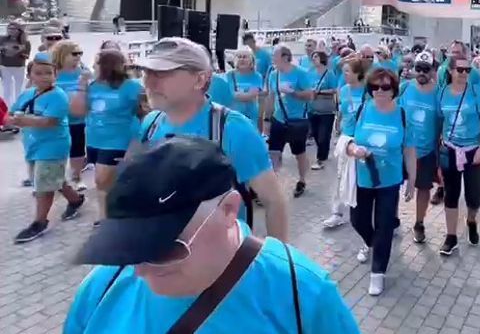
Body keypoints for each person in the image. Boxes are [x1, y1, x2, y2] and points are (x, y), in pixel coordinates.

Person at [64, 137, 359, 333]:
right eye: (128, 247)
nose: (138, 269)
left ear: (229, 211)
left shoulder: (302, 294)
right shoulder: (101, 288)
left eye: (165, 248)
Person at [136, 37, 288, 241]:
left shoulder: (232, 129)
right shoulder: (150, 124)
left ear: (199, 80)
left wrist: (279, 265)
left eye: (163, 73)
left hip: (220, 262)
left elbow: (273, 201)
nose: (148, 81)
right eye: (146, 72)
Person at [344, 68, 416, 295]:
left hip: (389, 181)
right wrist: (353, 148)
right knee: (357, 220)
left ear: (394, 89)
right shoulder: (363, 110)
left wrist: (412, 180)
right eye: (375, 87)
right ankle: (370, 242)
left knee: (384, 225)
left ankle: (378, 272)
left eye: (385, 87)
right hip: (362, 177)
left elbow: (410, 150)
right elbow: (346, 138)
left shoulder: (402, 115)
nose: (380, 91)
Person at [10, 52, 86, 243]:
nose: (44, 77)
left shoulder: (59, 96)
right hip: (33, 146)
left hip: (53, 146)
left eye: (48, 73)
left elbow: (49, 121)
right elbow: (9, 116)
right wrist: (15, 119)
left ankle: (39, 222)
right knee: (52, 178)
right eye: (39, 73)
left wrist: (22, 119)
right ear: (30, 76)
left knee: (44, 185)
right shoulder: (27, 94)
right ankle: (75, 200)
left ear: (55, 75)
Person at [70, 49, 145, 226]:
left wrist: (137, 143)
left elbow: (144, 113)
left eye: (96, 62)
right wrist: (81, 85)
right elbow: (77, 111)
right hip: (95, 141)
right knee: (106, 183)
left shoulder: (132, 87)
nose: (93, 66)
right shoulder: (93, 86)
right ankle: (107, 216)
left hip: (118, 140)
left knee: (101, 180)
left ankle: (108, 218)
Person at [438, 53, 480, 255]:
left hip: (473, 150)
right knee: (451, 194)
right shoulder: (442, 93)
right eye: (459, 70)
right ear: (450, 71)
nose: (464, 74)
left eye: (468, 70)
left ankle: (471, 220)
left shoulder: (476, 92)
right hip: (450, 149)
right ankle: (451, 236)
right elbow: (440, 120)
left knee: (473, 195)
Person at [399, 51, 441, 243]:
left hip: (426, 151)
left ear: (433, 70)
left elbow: (443, 121)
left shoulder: (438, 92)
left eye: (426, 69)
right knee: (392, 186)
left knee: (424, 189)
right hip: (402, 149)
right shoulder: (405, 88)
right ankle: (391, 219)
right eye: (419, 68)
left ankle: (419, 223)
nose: (422, 72)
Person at [322, 57, 367, 229]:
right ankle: (337, 213)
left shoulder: (367, 91)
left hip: (361, 139)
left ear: (358, 73)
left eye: (348, 71)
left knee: (360, 179)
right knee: (340, 176)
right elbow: (341, 111)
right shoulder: (344, 90)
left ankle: (363, 213)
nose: (345, 74)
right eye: (344, 71)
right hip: (346, 138)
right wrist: (338, 125)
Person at [266, 45, 315, 198]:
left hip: (297, 121)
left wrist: (292, 92)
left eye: (275, 56)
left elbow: (310, 95)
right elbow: (270, 97)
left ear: (286, 57)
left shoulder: (301, 73)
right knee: (273, 152)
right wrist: (267, 119)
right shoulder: (273, 75)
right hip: (279, 120)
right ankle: (273, 185)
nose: (273, 59)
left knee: (299, 153)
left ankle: (302, 180)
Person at [52, 40, 89, 192]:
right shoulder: (52, 72)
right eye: (74, 54)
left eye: (80, 53)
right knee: (56, 150)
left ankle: (77, 177)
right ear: (62, 54)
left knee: (78, 149)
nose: (78, 57)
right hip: (56, 120)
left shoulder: (83, 71)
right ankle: (56, 179)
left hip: (78, 119)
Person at [308, 51, 337, 170]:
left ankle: (321, 158)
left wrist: (319, 92)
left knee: (323, 135)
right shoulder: (310, 72)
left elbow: (334, 90)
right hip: (312, 108)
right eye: (313, 57)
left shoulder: (329, 73)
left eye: (316, 56)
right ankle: (323, 151)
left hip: (326, 110)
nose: (314, 59)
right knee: (314, 133)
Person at [227, 49, 263, 127]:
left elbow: (253, 94)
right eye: (239, 57)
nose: (242, 59)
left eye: (245, 57)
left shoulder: (257, 76)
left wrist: (239, 95)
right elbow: (232, 95)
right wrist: (247, 94)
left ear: (251, 60)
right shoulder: (230, 75)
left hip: (251, 116)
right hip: (234, 116)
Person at [0, 19, 31, 103]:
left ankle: (18, 104)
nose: (11, 30)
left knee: (19, 87)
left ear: (19, 30)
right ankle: (7, 105)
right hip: (5, 66)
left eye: (14, 29)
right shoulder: (2, 39)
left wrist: (18, 51)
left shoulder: (25, 42)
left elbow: (27, 56)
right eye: (9, 28)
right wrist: (4, 50)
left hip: (19, 66)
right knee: (6, 87)